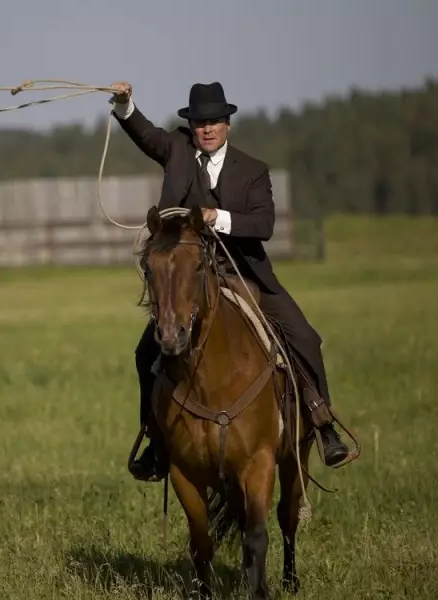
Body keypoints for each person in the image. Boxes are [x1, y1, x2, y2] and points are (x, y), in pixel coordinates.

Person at [110, 81, 350, 482]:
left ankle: (323, 423)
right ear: (192, 125)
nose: (207, 129)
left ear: (227, 125)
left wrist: (217, 218)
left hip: (245, 270)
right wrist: (124, 104)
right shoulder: (177, 149)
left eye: (215, 122)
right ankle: (155, 442)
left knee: (305, 338)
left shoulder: (253, 171)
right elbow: (145, 133)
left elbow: (264, 225)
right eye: (200, 122)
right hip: (188, 276)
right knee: (144, 352)